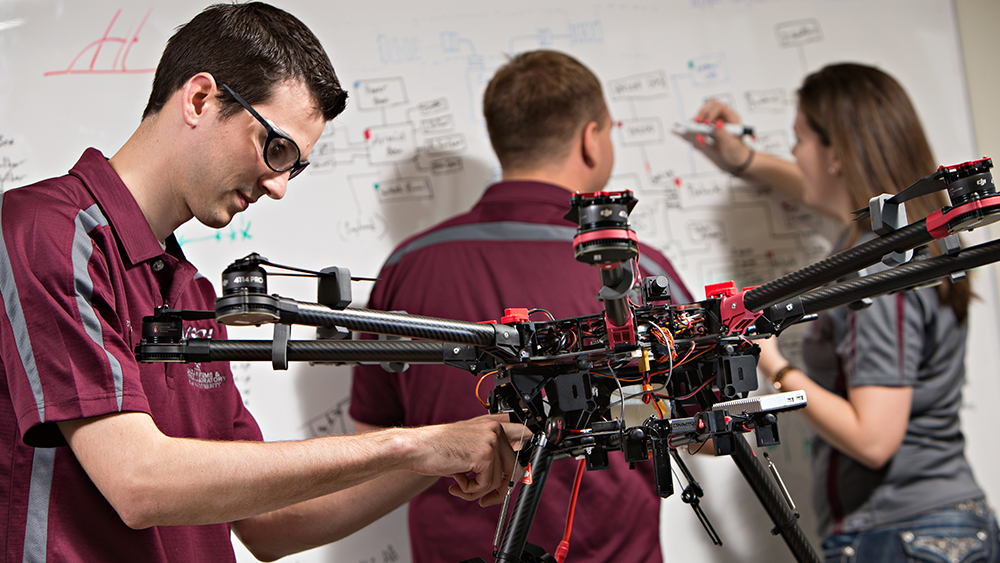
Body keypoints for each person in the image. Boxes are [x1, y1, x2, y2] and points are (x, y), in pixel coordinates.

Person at [0, 4, 521, 562]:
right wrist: (408, 441)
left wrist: (451, 448)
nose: (279, 187)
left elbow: (271, 526)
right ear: (200, 99)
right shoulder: (50, 232)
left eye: (293, 166)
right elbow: (139, 481)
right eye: (277, 149)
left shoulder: (188, 291)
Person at [350, 50, 692, 563]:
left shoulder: (405, 267)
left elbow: (373, 442)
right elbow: (707, 421)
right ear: (590, 138)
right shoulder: (638, 270)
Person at [687, 63, 999, 562]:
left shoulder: (878, 269)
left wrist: (773, 361)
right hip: (933, 527)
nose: (792, 153)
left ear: (836, 155)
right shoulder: (907, 236)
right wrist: (744, 160)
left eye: (799, 139)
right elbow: (827, 191)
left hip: (903, 534)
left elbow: (874, 439)